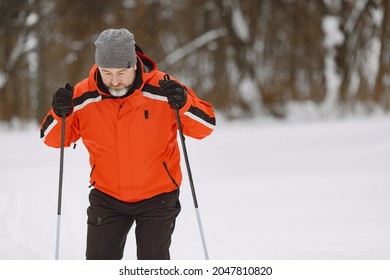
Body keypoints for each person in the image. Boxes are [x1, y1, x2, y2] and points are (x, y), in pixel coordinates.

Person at [40, 28, 216, 260]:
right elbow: (52, 139)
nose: (114, 81)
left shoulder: (164, 89)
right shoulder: (83, 95)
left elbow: (205, 127)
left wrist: (184, 104)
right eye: (107, 73)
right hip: (107, 196)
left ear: (134, 64)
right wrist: (60, 113)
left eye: (121, 72)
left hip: (159, 195)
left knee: (152, 264)